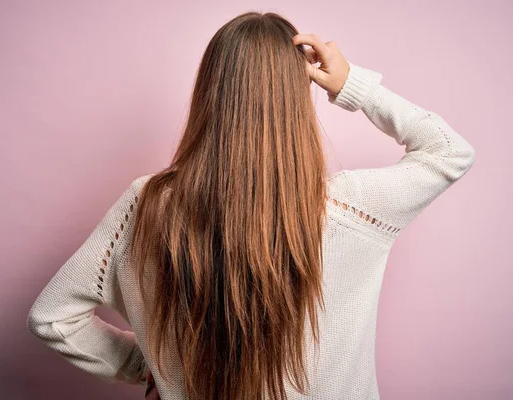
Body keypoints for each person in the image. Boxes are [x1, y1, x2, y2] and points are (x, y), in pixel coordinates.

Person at [26, 11, 475, 400]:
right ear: (296, 101)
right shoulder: (354, 209)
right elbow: (449, 152)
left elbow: (52, 318)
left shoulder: (147, 205)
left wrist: (150, 364)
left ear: (209, 93)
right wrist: (350, 83)